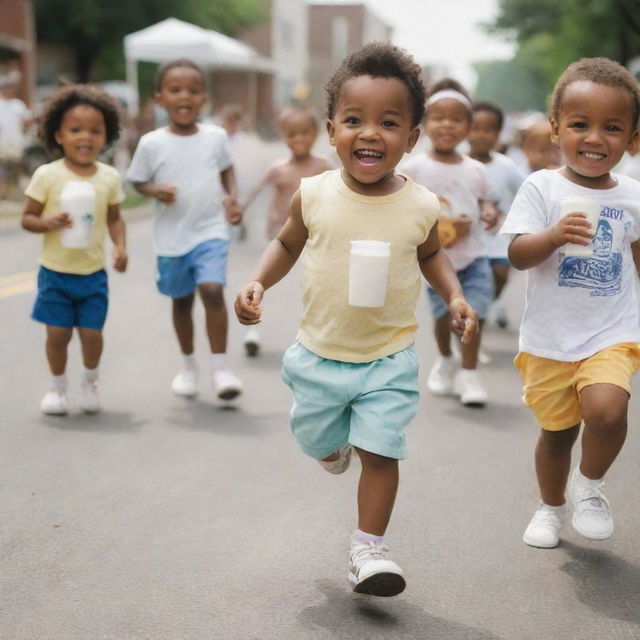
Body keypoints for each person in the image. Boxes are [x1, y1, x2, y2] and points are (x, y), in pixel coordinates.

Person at [235, 43, 477, 597]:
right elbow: (286, 243)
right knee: (316, 437)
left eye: (388, 123)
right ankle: (328, 447)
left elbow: (432, 254)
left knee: (382, 450)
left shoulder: (421, 205)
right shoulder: (314, 194)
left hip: (388, 357)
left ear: (412, 138)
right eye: (354, 120)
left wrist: (456, 296)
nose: (369, 133)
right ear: (331, 130)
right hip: (319, 354)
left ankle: (368, 549)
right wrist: (257, 282)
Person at [500, 57, 640, 548]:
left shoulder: (633, 197)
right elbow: (517, 254)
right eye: (580, 125)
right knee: (557, 434)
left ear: (632, 138)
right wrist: (553, 235)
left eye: (612, 127)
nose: (595, 138)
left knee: (606, 410)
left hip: (612, 331)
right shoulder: (542, 187)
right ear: (556, 128)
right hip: (549, 339)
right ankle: (549, 507)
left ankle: (592, 486)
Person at [127, 58, 244, 401]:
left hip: (210, 229)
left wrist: (231, 198)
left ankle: (220, 369)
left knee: (211, 289)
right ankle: (189, 367)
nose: (184, 97)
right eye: (175, 90)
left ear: (203, 97)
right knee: (181, 302)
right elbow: (136, 180)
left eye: (192, 91)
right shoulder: (151, 143)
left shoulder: (215, 136)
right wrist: (154, 190)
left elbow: (227, 170)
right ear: (160, 98)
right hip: (172, 237)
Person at [21, 84, 127, 415]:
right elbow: (27, 218)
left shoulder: (108, 177)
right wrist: (48, 222)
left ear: (106, 136)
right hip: (55, 272)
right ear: (58, 135)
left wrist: (121, 247)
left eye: (95, 131)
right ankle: (57, 388)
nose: (86, 137)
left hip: (92, 274)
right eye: (76, 129)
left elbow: (114, 219)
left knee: (92, 335)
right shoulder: (47, 175)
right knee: (58, 333)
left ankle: (90, 383)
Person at [402, 79, 497, 407]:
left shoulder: (476, 169)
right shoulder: (415, 167)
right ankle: (445, 358)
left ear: (469, 127)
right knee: (443, 319)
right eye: (438, 117)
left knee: (475, 313)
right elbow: (402, 203)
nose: (446, 125)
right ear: (424, 124)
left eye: (456, 119)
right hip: (436, 261)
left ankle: (469, 374)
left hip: (473, 257)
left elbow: (486, 200)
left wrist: (487, 213)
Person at [240, 105, 331, 356]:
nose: (298, 139)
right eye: (292, 134)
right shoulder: (277, 168)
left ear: (316, 134)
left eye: (305, 133)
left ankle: (309, 336)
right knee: (269, 282)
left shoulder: (324, 166)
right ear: (283, 136)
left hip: (312, 237)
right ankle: (253, 331)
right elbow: (254, 192)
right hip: (279, 235)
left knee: (305, 286)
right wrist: (238, 210)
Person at [468, 101, 525, 330]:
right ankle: (472, 316)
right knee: (470, 286)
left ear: (498, 134)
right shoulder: (458, 163)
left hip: (497, 238)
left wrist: (512, 217)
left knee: (501, 273)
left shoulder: (506, 167)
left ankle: (486, 306)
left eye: (488, 130)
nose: (481, 135)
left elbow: (527, 191)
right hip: (467, 241)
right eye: (476, 128)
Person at [0, 75, 32, 201]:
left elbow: (27, 121)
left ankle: (14, 192)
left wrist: (22, 132)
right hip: (2, 142)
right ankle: (3, 193)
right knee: (2, 169)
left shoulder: (18, 105)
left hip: (15, 142)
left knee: (15, 167)